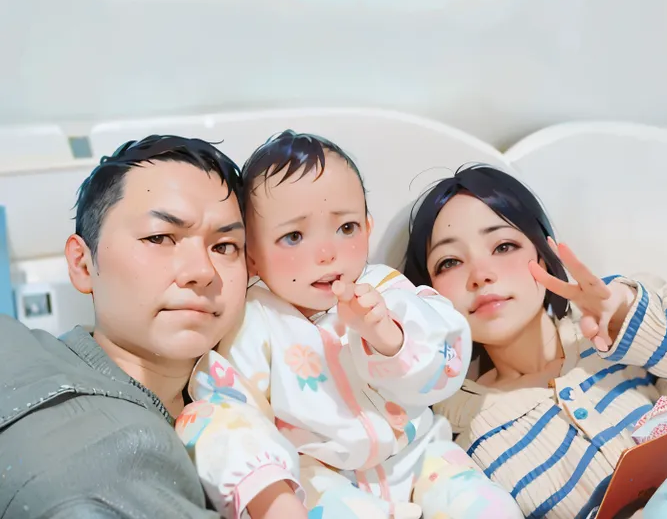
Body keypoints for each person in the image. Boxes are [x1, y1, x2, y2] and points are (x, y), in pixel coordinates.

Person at [176, 131, 523, 519]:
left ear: (368, 228)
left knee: (484, 504)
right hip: (322, 476)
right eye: (293, 236)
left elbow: (446, 364)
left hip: (418, 456)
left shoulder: (385, 289)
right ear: (252, 257)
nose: (328, 254)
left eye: (346, 228)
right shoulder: (254, 321)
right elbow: (225, 409)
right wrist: (268, 494)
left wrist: (389, 337)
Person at [402, 164, 667, 519]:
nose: (481, 275)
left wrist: (632, 322)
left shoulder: (625, 303)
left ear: (545, 253)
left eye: (503, 245)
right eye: (449, 262)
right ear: (428, 294)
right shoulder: (459, 433)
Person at [0, 136, 301, 519]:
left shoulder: (277, 413)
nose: (201, 272)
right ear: (81, 263)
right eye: (160, 237)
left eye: (225, 246)